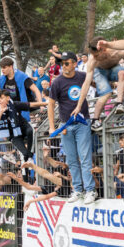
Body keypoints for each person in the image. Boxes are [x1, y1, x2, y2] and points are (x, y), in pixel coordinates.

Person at [48, 52, 97, 205]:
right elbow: (50, 104)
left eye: (67, 63)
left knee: (85, 157)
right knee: (71, 160)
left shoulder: (83, 76)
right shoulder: (57, 82)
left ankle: (90, 190)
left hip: (82, 122)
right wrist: (51, 127)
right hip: (65, 125)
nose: (64, 66)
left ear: (75, 63)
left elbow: (97, 84)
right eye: (62, 63)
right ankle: (77, 189)